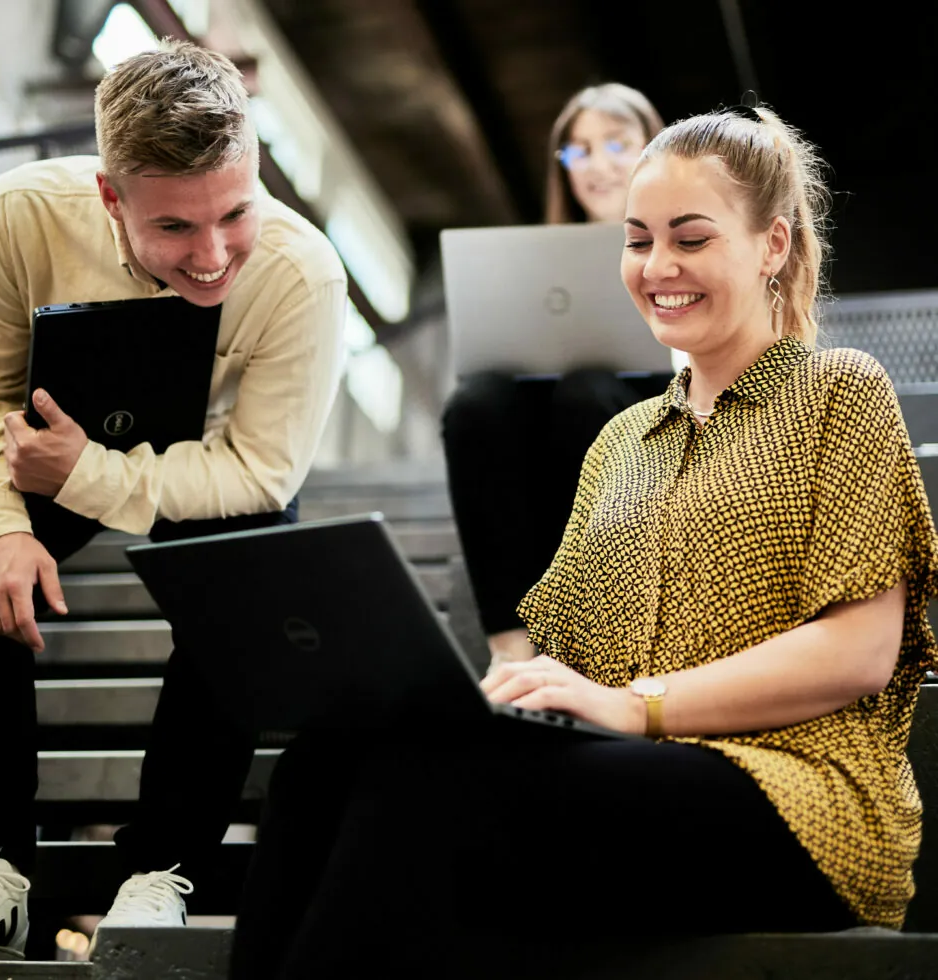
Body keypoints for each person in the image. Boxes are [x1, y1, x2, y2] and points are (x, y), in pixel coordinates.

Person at [229, 105, 938, 979]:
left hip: (800, 790)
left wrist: (639, 705)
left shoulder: (841, 392)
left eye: (690, 238)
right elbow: (569, 660)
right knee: (316, 769)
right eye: (638, 241)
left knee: (424, 800)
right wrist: (482, 696)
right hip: (631, 765)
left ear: (773, 246)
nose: (656, 267)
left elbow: (861, 653)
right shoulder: (620, 440)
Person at [0, 39, 347, 962]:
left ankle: (161, 870)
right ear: (109, 197)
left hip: (191, 464)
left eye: (236, 214)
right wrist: (2, 529)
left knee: (255, 556)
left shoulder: (303, 273)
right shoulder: (21, 213)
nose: (213, 256)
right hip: (47, 443)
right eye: (175, 228)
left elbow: (260, 473)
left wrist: (88, 475)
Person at [441, 82, 666, 668]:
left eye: (616, 144)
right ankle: (510, 649)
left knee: (586, 392)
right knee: (476, 403)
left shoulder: (685, 244)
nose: (596, 165)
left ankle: (597, 636)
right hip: (550, 420)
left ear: (652, 147)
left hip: (643, 411)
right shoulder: (536, 264)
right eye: (579, 151)